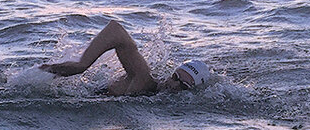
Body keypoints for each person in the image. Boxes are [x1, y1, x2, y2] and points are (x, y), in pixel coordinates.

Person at [39, 20, 210, 95]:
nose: (174, 85)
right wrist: (82, 65)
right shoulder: (144, 79)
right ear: (171, 73)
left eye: (184, 86)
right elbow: (116, 30)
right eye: (175, 77)